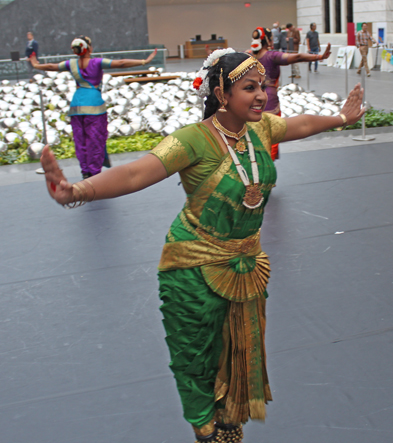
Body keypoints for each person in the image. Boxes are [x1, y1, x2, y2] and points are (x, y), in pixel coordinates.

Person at [40, 49, 365, 443]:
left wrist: (342, 118)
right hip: (192, 266)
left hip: (244, 265)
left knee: (238, 349)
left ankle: (230, 420)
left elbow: (298, 124)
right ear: (221, 93)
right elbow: (134, 173)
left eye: (261, 86)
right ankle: (204, 429)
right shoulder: (192, 141)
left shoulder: (259, 131)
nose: (261, 95)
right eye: (250, 88)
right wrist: (78, 190)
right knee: (195, 356)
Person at [30, 36, 157, 179]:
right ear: (89, 48)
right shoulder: (96, 63)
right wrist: (144, 61)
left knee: (80, 140)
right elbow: (120, 63)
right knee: (95, 140)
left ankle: (85, 171)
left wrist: (36, 65)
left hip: (76, 106)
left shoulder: (71, 64)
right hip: (94, 107)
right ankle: (94, 173)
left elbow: (51, 67)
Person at [250, 27, 331, 160]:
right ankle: (267, 170)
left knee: (256, 137)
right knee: (271, 135)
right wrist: (319, 57)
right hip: (269, 100)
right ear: (268, 40)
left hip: (253, 100)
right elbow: (297, 56)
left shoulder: (250, 56)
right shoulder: (272, 56)